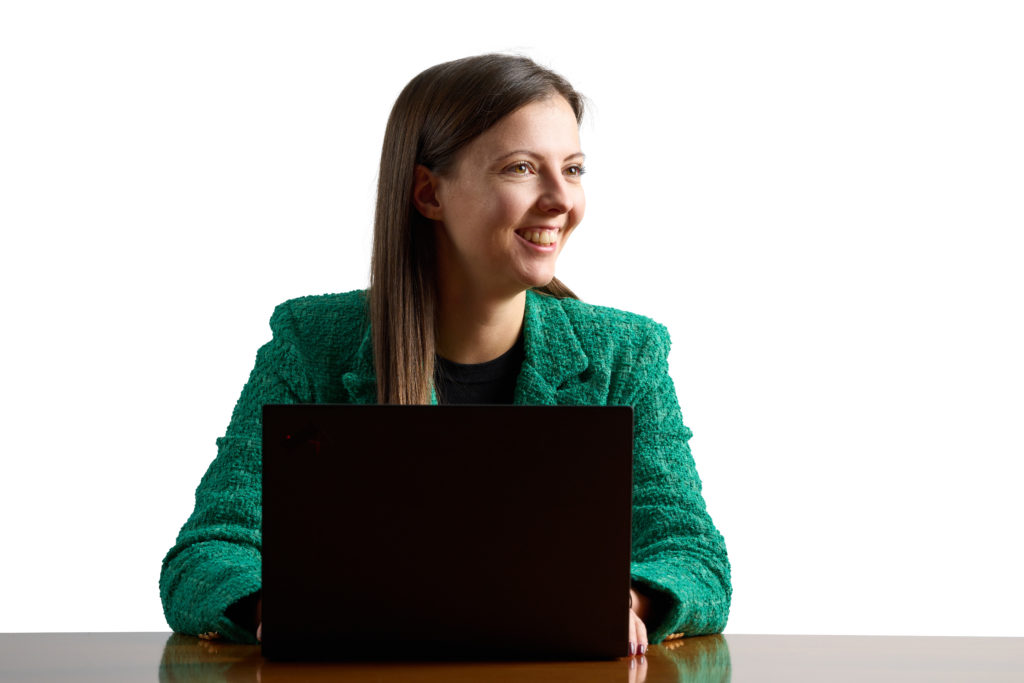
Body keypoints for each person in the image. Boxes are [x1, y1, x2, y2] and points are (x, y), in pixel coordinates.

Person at [160, 53, 731, 658]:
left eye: (573, 168)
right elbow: (206, 555)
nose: (561, 199)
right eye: (521, 168)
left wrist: (625, 601)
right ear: (429, 193)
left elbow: (692, 557)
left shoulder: (626, 353)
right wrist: (279, 606)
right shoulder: (311, 342)